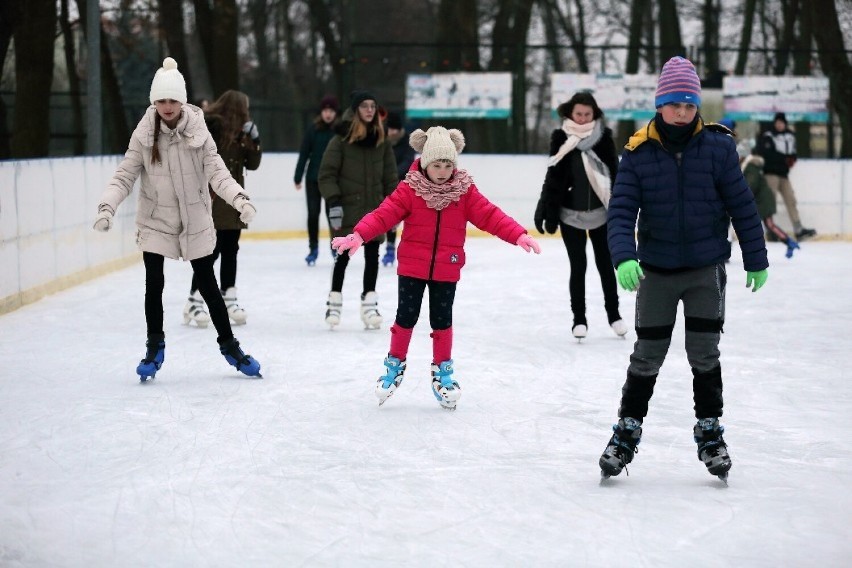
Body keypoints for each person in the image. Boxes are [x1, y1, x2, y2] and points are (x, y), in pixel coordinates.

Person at [600, 56, 769, 481]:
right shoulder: (637, 152)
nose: (682, 111)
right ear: (660, 104)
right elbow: (621, 213)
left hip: (704, 271)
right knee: (647, 355)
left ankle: (710, 434)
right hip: (655, 272)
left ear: (697, 106)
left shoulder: (718, 147)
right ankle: (625, 433)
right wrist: (623, 256)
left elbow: (741, 205)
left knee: (704, 355)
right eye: (674, 103)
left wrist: (756, 257)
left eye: (689, 104)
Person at [331, 126, 541, 410]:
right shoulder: (410, 189)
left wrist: (518, 234)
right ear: (425, 164)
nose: (442, 171)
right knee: (405, 317)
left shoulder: (464, 191)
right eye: (436, 165)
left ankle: (442, 371)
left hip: (447, 268)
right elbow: (384, 214)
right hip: (411, 268)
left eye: (447, 165)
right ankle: (395, 364)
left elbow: (490, 215)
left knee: (442, 320)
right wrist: (359, 234)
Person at [92, 57, 261, 381]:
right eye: (161, 100)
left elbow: (218, 173)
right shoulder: (144, 134)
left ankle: (230, 346)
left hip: (196, 217)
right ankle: (154, 346)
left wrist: (240, 199)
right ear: (154, 102)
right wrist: (107, 207)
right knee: (153, 283)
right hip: (156, 218)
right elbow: (124, 176)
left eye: (172, 100)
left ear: (181, 101)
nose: (167, 106)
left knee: (209, 286)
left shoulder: (199, 132)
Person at [534, 91, 627, 340]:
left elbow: (614, 175)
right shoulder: (560, 137)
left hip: (601, 214)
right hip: (570, 215)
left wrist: (620, 208)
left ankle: (614, 315)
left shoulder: (604, 138)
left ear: (594, 114)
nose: (583, 118)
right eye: (579, 114)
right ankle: (579, 319)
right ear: (570, 114)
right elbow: (553, 175)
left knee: (606, 266)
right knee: (578, 267)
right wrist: (544, 207)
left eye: (588, 114)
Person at [318, 90, 398, 329]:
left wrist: (394, 207)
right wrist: (333, 202)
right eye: (364, 106)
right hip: (347, 208)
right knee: (342, 257)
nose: (370, 110)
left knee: (372, 256)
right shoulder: (340, 140)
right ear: (355, 111)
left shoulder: (381, 142)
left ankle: (370, 304)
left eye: (373, 106)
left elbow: (390, 177)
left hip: (374, 209)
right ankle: (334, 302)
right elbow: (327, 174)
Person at [183, 90, 262, 328]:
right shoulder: (212, 128)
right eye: (243, 109)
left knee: (231, 249)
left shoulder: (241, 134)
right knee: (210, 251)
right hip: (213, 199)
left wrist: (254, 141)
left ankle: (229, 295)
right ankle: (195, 298)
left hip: (234, 201)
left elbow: (253, 164)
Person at [755, 112, 816, 240]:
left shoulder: (790, 136)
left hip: (783, 174)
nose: (779, 125)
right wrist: (784, 159)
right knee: (769, 203)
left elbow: (792, 153)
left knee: (791, 200)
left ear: (785, 124)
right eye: (777, 123)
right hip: (771, 174)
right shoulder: (768, 136)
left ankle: (798, 229)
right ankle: (770, 229)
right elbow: (767, 155)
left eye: (781, 123)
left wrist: (791, 159)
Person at [294, 95, 340, 265]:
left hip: (333, 180)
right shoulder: (313, 130)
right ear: (321, 112)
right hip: (313, 179)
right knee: (313, 214)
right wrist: (298, 176)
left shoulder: (339, 130)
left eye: (331, 111)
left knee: (333, 215)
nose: (328, 114)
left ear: (335, 113)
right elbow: (304, 153)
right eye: (325, 111)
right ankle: (313, 248)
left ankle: (335, 247)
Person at [738, 141, 799, 258]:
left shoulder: (750, 167)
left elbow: (751, 184)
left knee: (767, 225)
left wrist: (742, 195)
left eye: (739, 156)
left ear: (744, 156)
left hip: (763, 201)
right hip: (761, 200)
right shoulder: (751, 165)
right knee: (763, 225)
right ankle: (788, 242)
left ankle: (789, 242)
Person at [381, 111, 417, 267]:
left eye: (395, 129)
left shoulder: (407, 142)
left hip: (401, 184)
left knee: (396, 216)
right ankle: (384, 246)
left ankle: (393, 247)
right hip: (383, 183)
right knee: (387, 215)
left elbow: (408, 162)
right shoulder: (382, 141)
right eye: (390, 129)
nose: (392, 132)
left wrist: (393, 174)